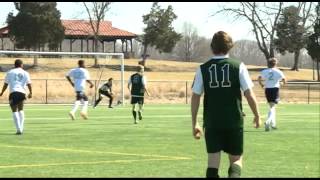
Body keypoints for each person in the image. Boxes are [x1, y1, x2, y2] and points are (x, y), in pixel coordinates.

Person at [191, 31, 261, 178]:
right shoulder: (239, 66)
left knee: (212, 163)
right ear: (230, 46)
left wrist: (195, 122)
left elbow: (195, 96)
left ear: (212, 47)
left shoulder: (202, 68)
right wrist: (257, 115)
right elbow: (249, 94)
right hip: (233, 121)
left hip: (212, 122)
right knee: (236, 159)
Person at [0, 59, 32, 135]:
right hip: (22, 93)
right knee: (21, 110)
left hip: (13, 92)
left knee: (14, 111)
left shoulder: (10, 72)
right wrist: (31, 93)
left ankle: (18, 129)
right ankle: (21, 128)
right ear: (21, 65)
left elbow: (6, 84)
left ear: (15, 65)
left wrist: (2, 92)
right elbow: (29, 84)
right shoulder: (25, 73)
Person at [258, 58, 286, 131]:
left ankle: (273, 124)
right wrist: (281, 83)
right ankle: (268, 121)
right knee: (272, 107)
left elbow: (259, 78)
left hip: (267, 90)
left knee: (271, 106)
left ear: (268, 64)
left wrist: (261, 85)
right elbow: (284, 80)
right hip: (275, 89)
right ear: (275, 64)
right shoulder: (278, 71)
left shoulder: (264, 71)